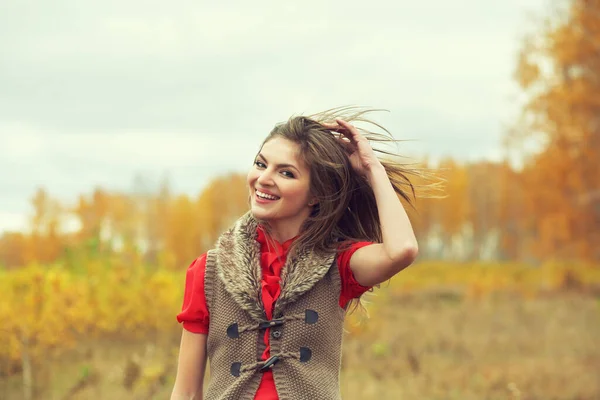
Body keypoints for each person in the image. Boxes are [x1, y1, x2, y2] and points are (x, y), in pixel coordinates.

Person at [170, 107, 419, 400]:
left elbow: (402, 249)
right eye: (261, 164)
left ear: (316, 194)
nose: (264, 179)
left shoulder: (337, 265)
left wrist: (371, 168)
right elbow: (186, 392)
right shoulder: (209, 271)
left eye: (286, 172)